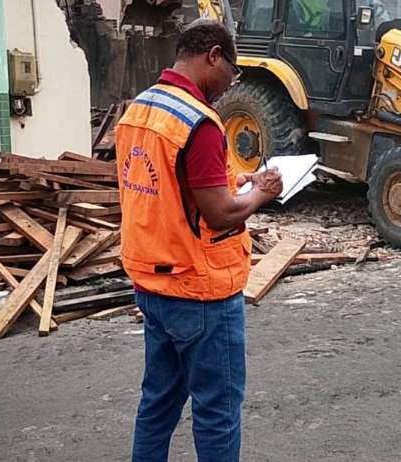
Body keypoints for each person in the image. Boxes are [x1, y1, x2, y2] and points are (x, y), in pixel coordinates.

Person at [115, 19, 283, 462]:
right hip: (201, 290)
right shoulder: (200, 122)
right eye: (233, 71)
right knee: (217, 410)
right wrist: (262, 194)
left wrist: (241, 180)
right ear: (213, 55)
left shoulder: (140, 110)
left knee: (158, 404)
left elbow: (178, 187)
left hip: (153, 283)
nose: (231, 83)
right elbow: (220, 211)